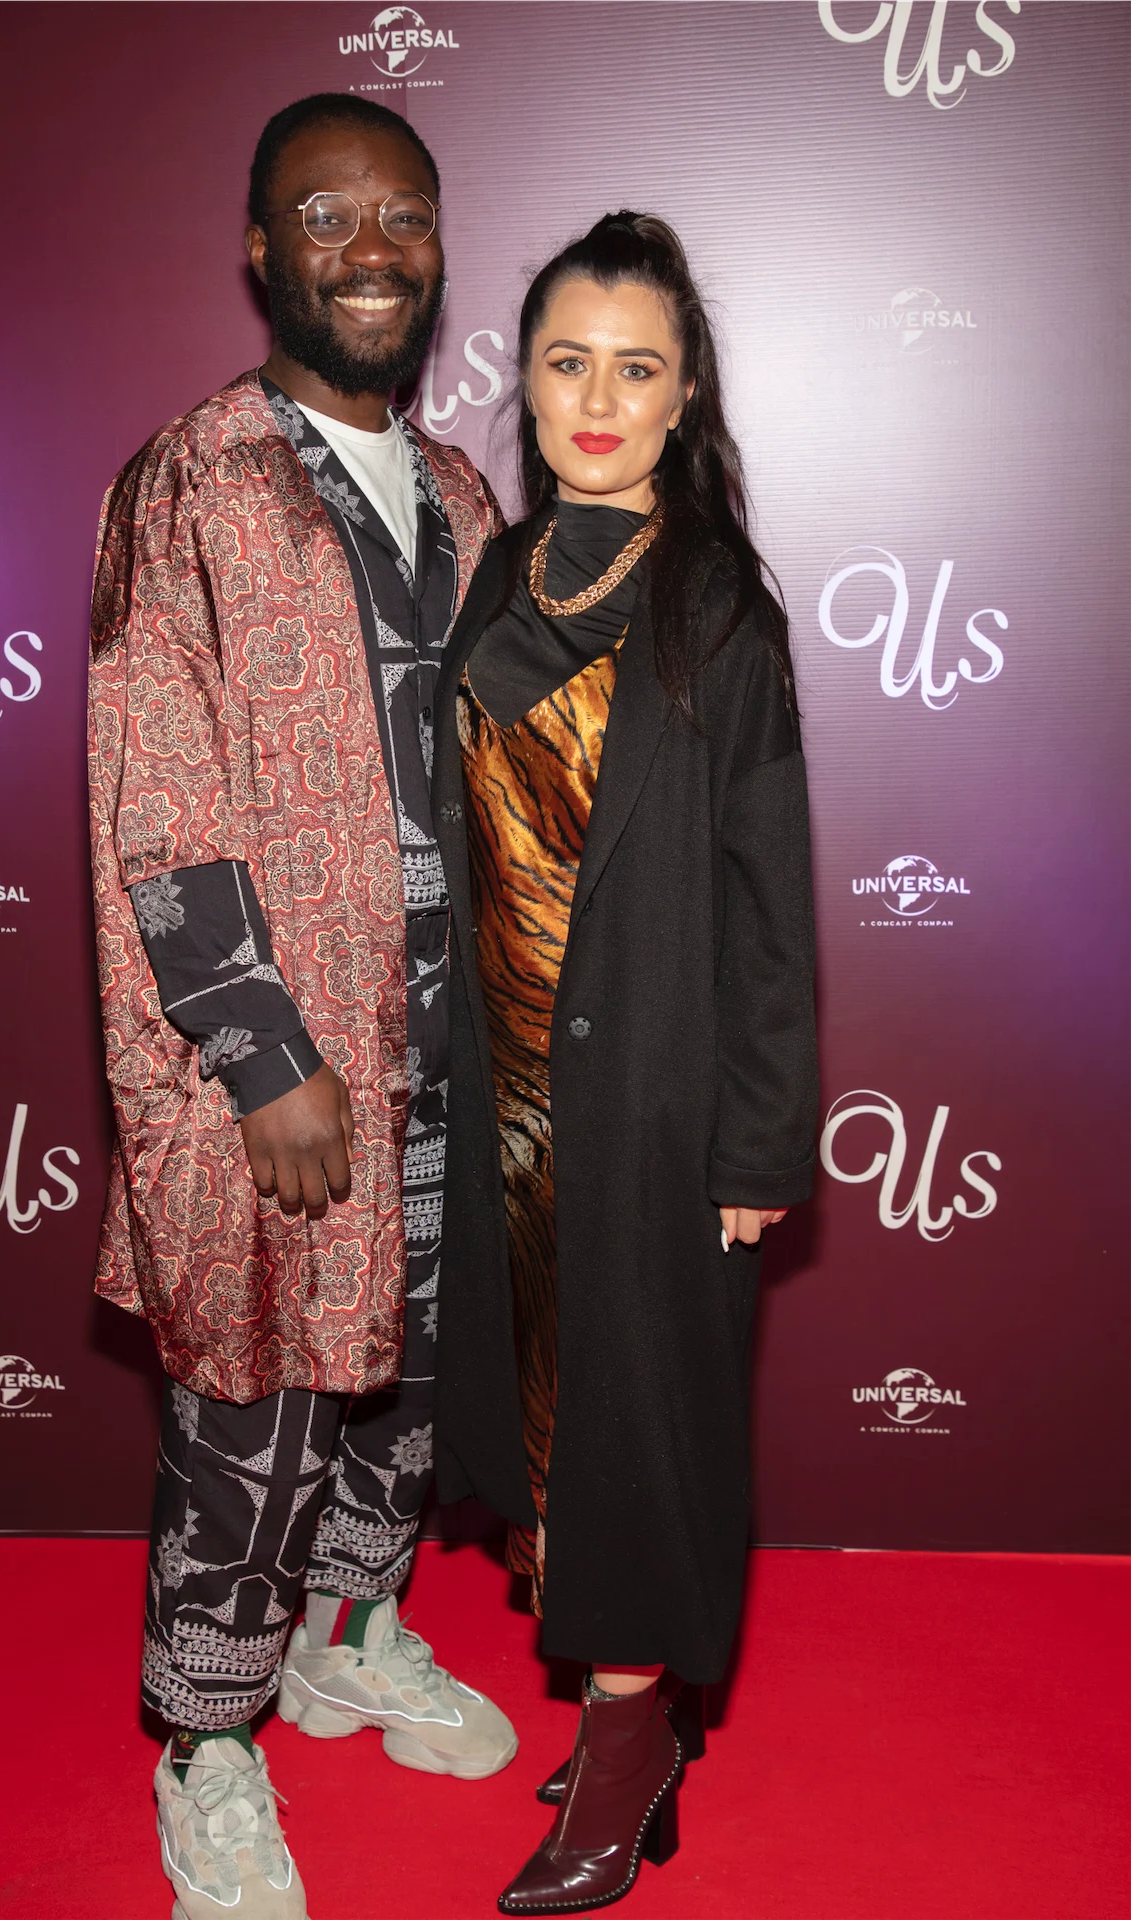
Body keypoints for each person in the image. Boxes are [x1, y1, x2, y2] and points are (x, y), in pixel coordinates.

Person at [87, 93, 516, 1920]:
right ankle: (207, 1746)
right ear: (262, 250)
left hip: (454, 1049)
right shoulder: (193, 479)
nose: (370, 251)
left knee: (405, 1390)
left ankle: (350, 1643)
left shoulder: (467, 493)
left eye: (402, 217)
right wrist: (258, 1047)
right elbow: (156, 786)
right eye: (325, 218)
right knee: (251, 1407)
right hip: (283, 1058)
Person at [430, 211, 818, 1914]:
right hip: (503, 1091)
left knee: (640, 1431)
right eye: (566, 362)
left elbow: (769, 896)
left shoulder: (716, 606)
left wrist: (758, 1145)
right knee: (547, 1416)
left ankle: (626, 1735)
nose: (597, 401)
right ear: (522, 379)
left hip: (652, 1097)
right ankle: (629, 1714)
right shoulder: (502, 572)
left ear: (683, 396)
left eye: (635, 369)